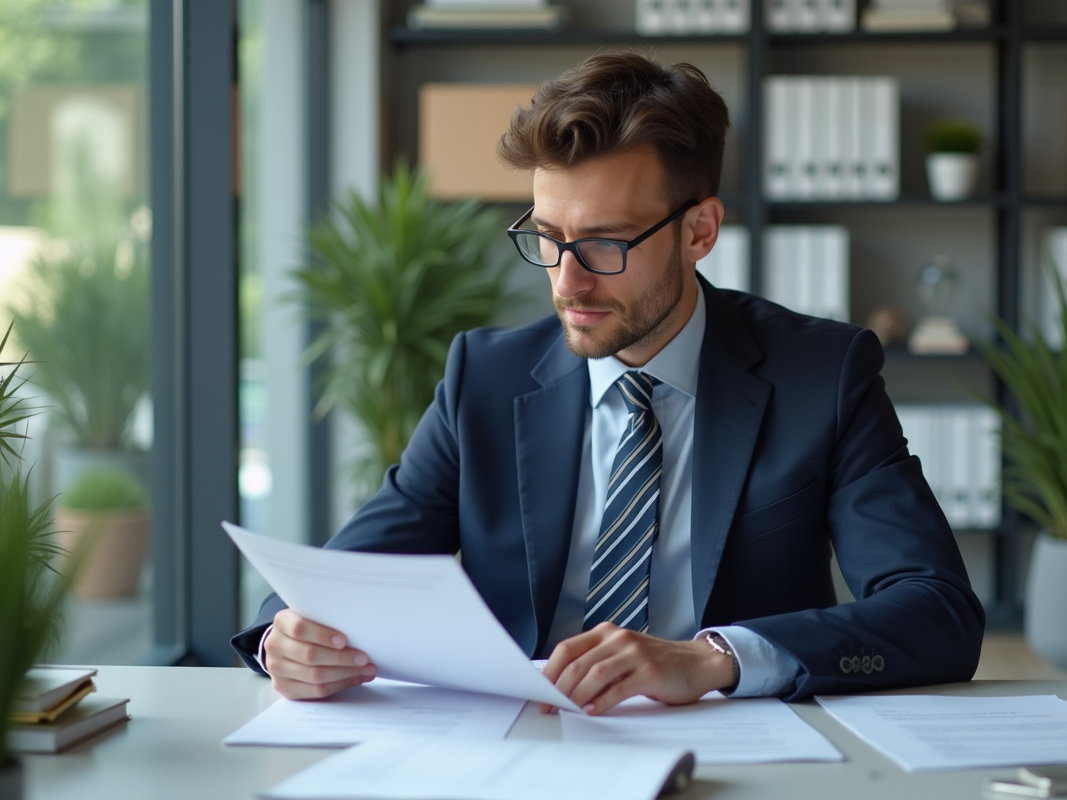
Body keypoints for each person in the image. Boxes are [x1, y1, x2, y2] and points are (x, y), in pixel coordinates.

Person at [231, 51, 984, 715]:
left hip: (739, 746)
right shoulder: (483, 380)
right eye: (549, 238)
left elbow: (938, 612)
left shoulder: (822, 374)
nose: (569, 281)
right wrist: (285, 639)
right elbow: (340, 579)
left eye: (605, 244)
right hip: (511, 746)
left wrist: (714, 659)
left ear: (700, 231)